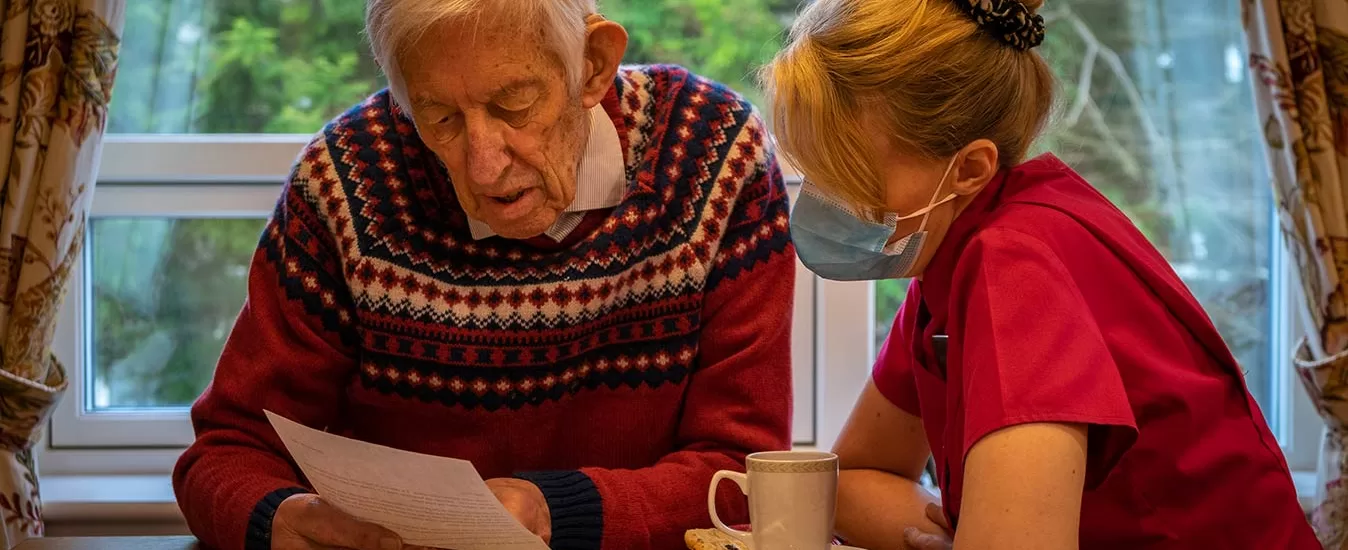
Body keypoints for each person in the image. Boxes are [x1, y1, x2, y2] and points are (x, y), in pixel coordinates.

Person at [172, 1, 797, 549]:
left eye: (514, 105)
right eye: (439, 117)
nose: (485, 166)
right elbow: (226, 452)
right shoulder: (347, 181)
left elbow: (744, 474)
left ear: (593, 64)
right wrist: (277, 520)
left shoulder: (714, 157)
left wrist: (555, 511)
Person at [764, 0, 1319, 548]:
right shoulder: (953, 252)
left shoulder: (1018, 267)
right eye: (815, 171)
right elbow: (855, 481)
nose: (823, 201)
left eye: (850, 175)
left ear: (969, 168)